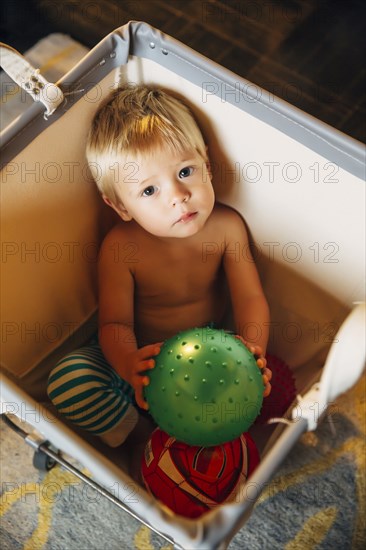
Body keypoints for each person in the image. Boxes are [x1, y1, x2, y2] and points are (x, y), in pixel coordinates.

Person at [47, 85, 271, 447]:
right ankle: (141, 438)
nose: (178, 196)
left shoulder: (228, 227)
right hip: (141, 360)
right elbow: (114, 323)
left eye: (185, 172)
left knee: (254, 399)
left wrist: (252, 351)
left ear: (208, 167)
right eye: (149, 191)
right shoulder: (121, 248)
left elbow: (250, 298)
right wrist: (129, 366)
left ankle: (191, 436)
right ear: (121, 207)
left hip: (207, 353)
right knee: (68, 378)